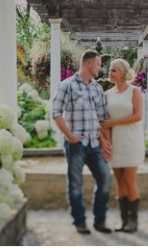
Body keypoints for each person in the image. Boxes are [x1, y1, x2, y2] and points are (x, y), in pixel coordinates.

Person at [52, 50, 113, 234]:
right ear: (89, 64)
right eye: (99, 64)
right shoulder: (67, 85)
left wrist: (106, 143)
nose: (100, 68)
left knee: (105, 179)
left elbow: (102, 119)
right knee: (75, 184)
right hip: (75, 144)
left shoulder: (97, 88)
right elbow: (56, 113)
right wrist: (70, 136)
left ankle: (99, 220)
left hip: (94, 144)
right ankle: (80, 222)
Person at [100, 58, 144, 233]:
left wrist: (113, 122)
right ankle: (123, 220)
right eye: (110, 70)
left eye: (113, 71)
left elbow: (138, 116)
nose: (110, 73)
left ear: (123, 73)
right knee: (119, 181)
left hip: (132, 140)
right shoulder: (107, 95)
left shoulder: (134, 91)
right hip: (116, 141)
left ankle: (134, 221)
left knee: (130, 179)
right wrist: (107, 144)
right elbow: (105, 123)